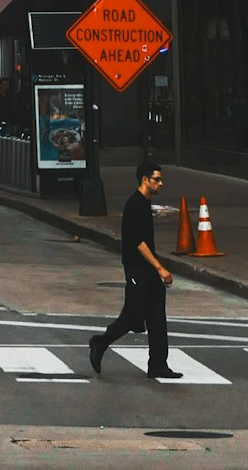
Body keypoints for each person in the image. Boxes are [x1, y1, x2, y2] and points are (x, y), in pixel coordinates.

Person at [88, 157, 183, 383]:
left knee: (157, 316)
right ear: (145, 180)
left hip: (146, 269)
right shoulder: (135, 205)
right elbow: (139, 243)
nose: (161, 184)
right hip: (137, 269)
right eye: (157, 180)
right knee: (133, 315)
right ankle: (100, 343)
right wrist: (160, 268)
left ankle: (158, 364)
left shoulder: (143, 203)